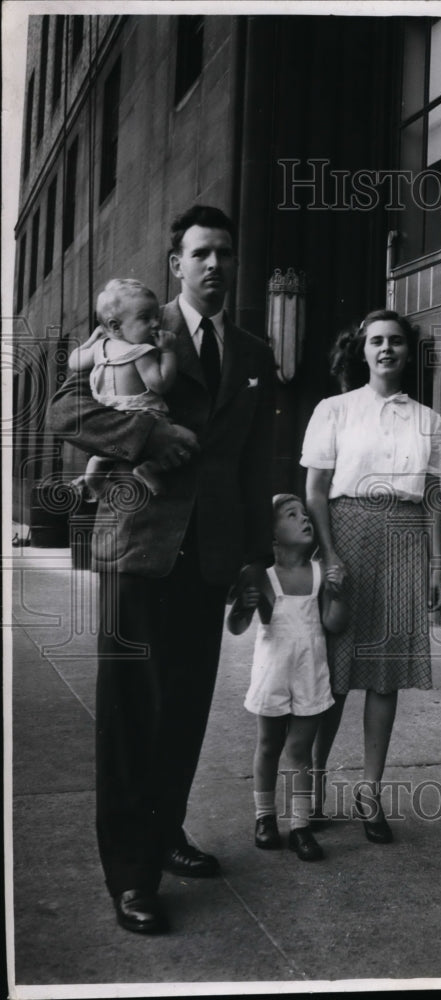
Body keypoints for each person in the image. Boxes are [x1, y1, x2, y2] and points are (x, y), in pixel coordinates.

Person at [48, 205, 274, 934]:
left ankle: (164, 830)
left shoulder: (251, 351)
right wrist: (147, 432)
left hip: (208, 557)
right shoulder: (134, 325)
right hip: (139, 546)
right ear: (175, 262)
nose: (215, 265)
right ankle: (131, 875)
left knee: (182, 710)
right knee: (129, 716)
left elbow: (251, 462)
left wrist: (253, 559)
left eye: (226, 253)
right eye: (201, 252)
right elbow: (62, 409)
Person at [301, 309, 441, 844]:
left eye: (396, 342)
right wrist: (330, 554)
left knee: (384, 675)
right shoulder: (334, 410)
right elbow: (316, 492)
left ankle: (370, 793)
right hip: (348, 532)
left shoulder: (427, 418)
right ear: (361, 350)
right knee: (336, 673)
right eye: (376, 342)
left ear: (409, 352)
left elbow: (432, 497)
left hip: (405, 539)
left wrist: (432, 566)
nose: (386, 349)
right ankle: (312, 787)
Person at [227, 494, 348, 862]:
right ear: (273, 535)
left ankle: (299, 825)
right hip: (273, 673)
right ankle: (264, 817)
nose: (304, 518)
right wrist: (243, 607)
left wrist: (340, 595)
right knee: (268, 746)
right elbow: (236, 626)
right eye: (291, 515)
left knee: (299, 752)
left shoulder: (319, 572)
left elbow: (333, 624)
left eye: (304, 513)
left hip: (311, 672)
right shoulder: (258, 576)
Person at [67, 278, 179, 496]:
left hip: (111, 429)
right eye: (145, 318)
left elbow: (73, 362)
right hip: (143, 422)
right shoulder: (141, 352)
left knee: (99, 461)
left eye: (157, 317)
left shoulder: (99, 349)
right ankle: (149, 468)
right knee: (187, 443)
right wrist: (168, 352)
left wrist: (91, 340)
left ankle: (94, 481)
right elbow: (161, 384)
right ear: (115, 327)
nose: (156, 324)